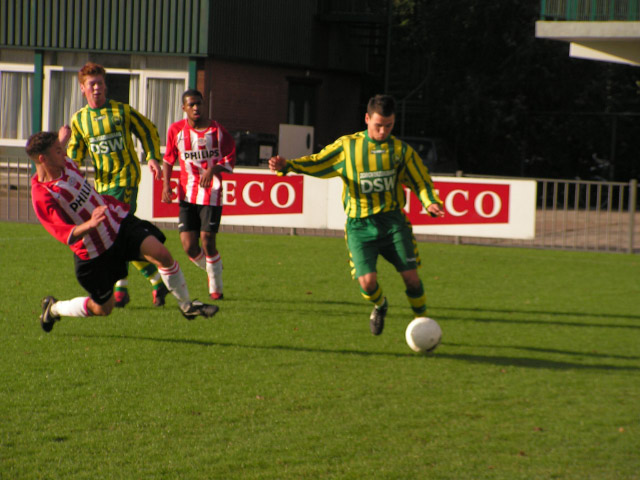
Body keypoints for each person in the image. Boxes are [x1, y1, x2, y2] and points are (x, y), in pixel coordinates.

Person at [268, 94, 445, 335]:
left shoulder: (400, 151)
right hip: (360, 226)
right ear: (366, 119)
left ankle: (424, 325)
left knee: (411, 278)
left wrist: (430, 201)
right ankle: (380, 305)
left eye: (389, 126)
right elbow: (318, 162)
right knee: (367, 283)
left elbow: (420, 181)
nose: (383, 131)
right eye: (378, 125)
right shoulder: (347, 147)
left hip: (393, 224)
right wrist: (288, 166)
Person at [26, 131, 219, 332]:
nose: (64, 153)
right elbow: (64, 234)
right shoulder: (43, 195)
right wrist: (90, 224)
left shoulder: (64, 164)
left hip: (117, 224)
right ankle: (55, 309)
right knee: (103, 308)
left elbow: (55, 151)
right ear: (43, 159)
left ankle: (186, 305)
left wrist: (62, 139)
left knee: (162, 254)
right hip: (94, 254)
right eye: (59, 151)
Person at [65, 62, 168, 308]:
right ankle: (154, 281)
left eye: (100, 83)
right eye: (92, 84)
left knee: (115, 231)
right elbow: (75, 152)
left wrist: (153, 156)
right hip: (101, 185)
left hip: (125, 180)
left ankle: (122, 287)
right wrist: (69, 176)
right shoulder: (79, 120)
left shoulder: (121, 111)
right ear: (83, 89)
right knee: (117, 233)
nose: (97, 88)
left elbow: (148, 129)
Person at [162, 89, 236, 300]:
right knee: (189, 246)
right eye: (191, 105)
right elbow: (168, 160)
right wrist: (166, 185)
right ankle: (214, 268)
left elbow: (230, 158)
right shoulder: (176, 131)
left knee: (207, 240)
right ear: (184, 108)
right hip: (186, 195)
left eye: (199, 104)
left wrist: (213, 170)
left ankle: (216, 288)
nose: (196, 108)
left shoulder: (217, 131)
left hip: (211, 194)